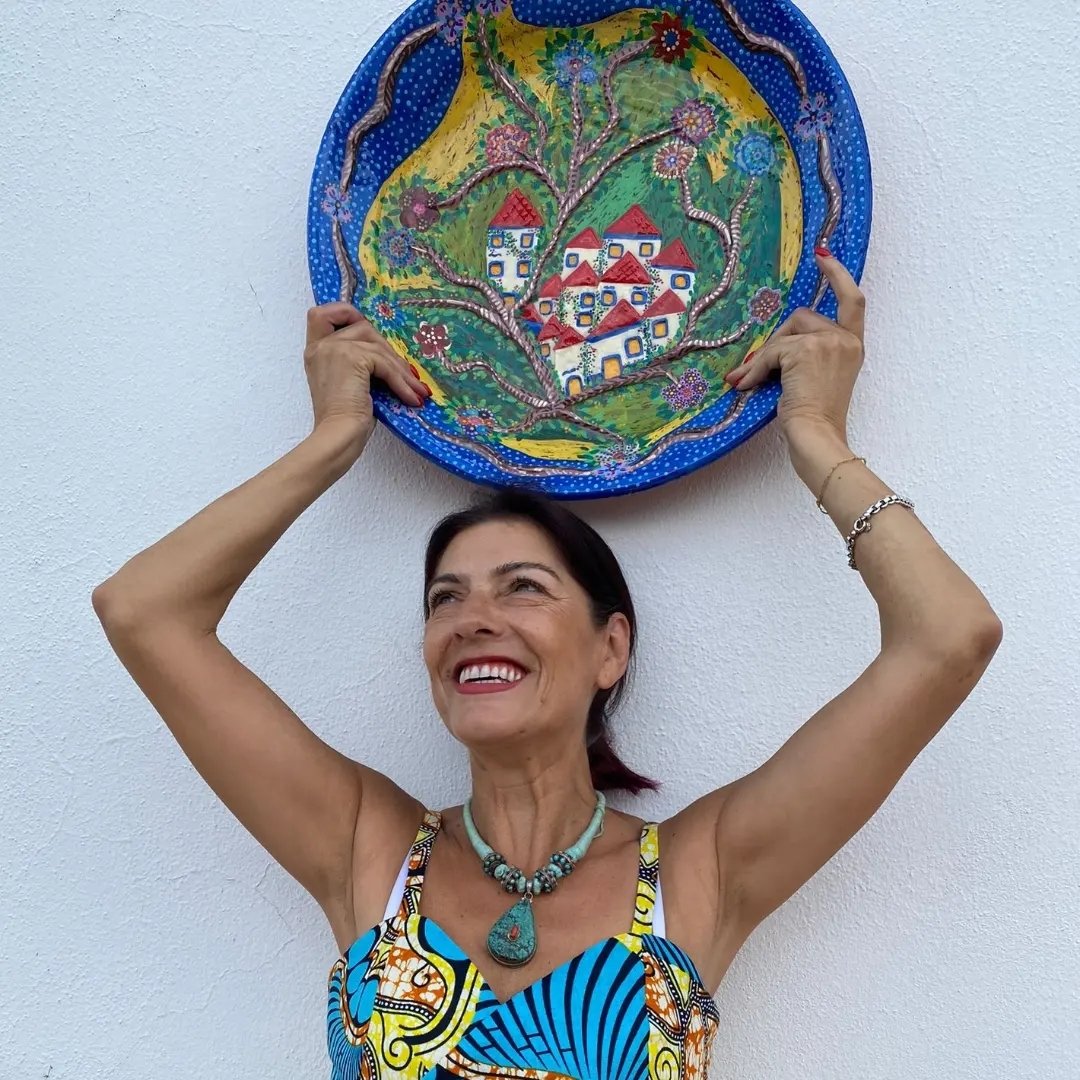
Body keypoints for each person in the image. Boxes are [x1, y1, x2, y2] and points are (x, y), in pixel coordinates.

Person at [92, 251, 1002, 1078]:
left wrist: (815, 434)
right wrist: (332, 439)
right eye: (445, 599)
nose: (473, 621)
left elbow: (949, 637)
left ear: (611, 647)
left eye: (522, 588)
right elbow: (144, 612)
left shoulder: (702, 872)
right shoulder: (365, 846)